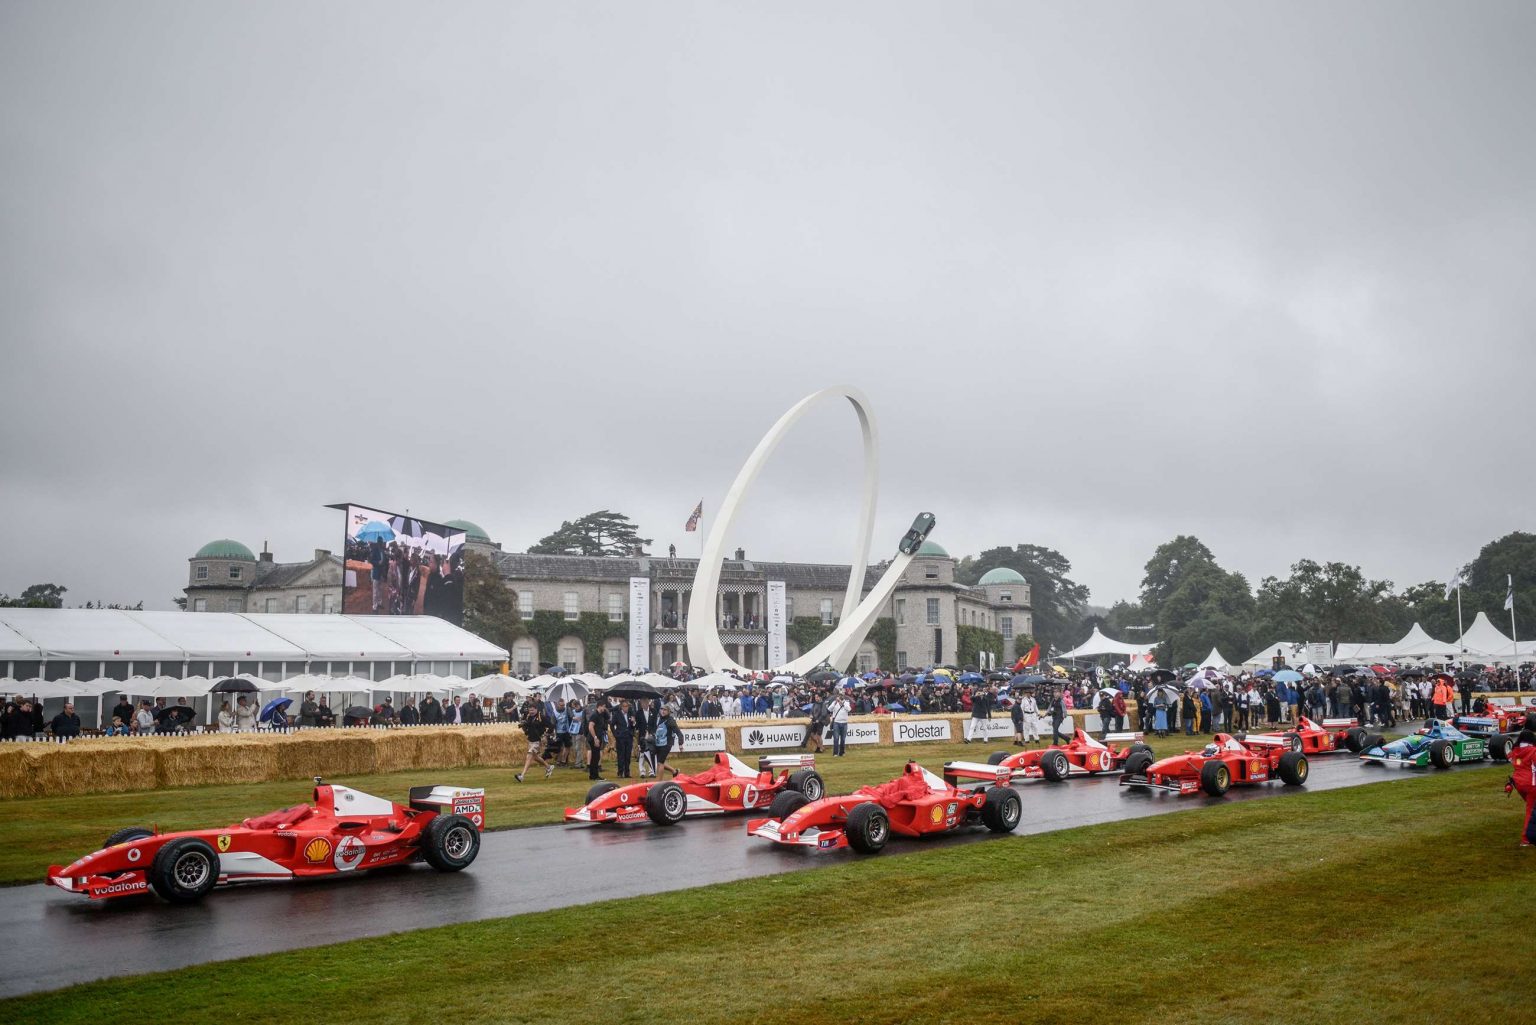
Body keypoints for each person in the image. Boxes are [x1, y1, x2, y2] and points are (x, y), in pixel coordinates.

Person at [1505, 729, 1536, 847]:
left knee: (1532, 809)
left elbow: (1509, 758)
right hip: (1531, 784)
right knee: (1531, 811)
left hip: (1518, 783)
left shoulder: (1515, 750)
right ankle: (1526, 838)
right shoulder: (1533, 751)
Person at [514, 702, 555, 782]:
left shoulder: (542, 717)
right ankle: (548, 767)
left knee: (529, 756)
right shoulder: (529, 716)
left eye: (532, 710)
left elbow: (551, 726)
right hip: (531, 739)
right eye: (530, 710)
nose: (531, 712)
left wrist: (546, 735)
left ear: (536, 709)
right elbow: (528, 725)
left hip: (538, 740)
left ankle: (522, 775)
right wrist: (523, 725)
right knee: (535, 757)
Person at [652, 703, 683, 777]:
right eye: (661, 709)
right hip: (658, 743)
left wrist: (680, 744)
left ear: (669, 711)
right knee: (660, 762)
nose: (662, 711)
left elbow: (679, 733)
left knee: (660, 763)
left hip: (667, 744)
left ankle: (659, 783)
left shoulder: (671, 721)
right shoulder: (659, 719)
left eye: (665, 710)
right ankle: (674, 771)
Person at [612, 699, 635, 778]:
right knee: (621, 755)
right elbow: (612, 725)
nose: (626, 708)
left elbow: (633, 726)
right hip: (620, 737)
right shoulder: (617, 714)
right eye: (624, 707)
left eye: (627, 706)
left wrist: (633, 722)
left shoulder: (630, 714)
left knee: (628, 755)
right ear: (621, 707)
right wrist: (616, 734)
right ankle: (620, 772)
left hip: (629, 736)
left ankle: (627, 772)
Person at [828, 690, 851, 757]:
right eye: (839, 695)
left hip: (844, 723)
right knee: (836, 738)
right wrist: (835, 703)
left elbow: (849, 709)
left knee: (843, 739)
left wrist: (841, 703)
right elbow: (829, 709)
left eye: (842, 695)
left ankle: (842, 752)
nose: (840, 697)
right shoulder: (834, 702)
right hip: (836, 723)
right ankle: (835, 753)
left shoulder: (846, 702)